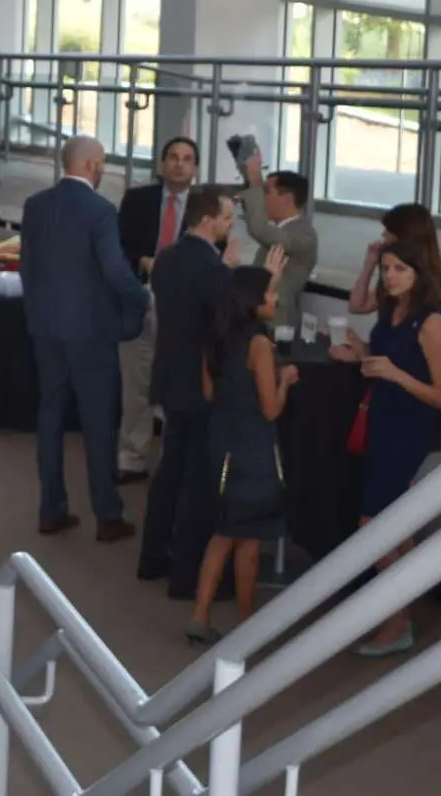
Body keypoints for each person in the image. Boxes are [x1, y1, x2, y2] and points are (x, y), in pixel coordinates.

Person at [142, 188, 283, 599]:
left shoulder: (166, 258)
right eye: (225, 218)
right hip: (200, 385)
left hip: (168, 377)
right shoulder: (216, 273)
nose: (229, 224)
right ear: (207, 221)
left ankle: (152, 556)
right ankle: (186, 576)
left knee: (169, 469)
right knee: (199, 481)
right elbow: (228, 324)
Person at [20, 136, 151, 541]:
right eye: (103, 162)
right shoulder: (100, 211)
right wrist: (141, 297)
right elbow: (114, 270)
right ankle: (107, 515)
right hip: (90, 331)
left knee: (51, 415)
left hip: (45, 326)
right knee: (98, 423)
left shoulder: (35, 205)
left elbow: (28, 266)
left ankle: (51, 509)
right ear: (93, 164)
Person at [332, 236, 441, 657]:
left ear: (419, 272)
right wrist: (360, 354)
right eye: (387, 269)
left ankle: (395, 616)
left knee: (373, 526)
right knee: (396, 524)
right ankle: (401, 604)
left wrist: (394, 373)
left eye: (399, 269)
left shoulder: (430, 321)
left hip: (407, 430)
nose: (391, 277)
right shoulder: (391, 311)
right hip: (382, 420)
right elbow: (381, 360)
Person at [188, 266, 299, 645]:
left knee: (222, 534)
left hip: (222, 446)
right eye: (271, 293)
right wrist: (284, 382)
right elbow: (270, 410)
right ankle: (246, 627)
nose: (276, 299)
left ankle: (199, 615)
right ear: (253, 299)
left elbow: (208, 394)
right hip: (253, 451)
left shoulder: (215, 337)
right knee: (249, 543)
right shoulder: (260, 345)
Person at [114, 136, 199, 485]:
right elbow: (118, 246)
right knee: (135, 382)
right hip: (139, 296)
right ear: (163, 164)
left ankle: (172, 465)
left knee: (175, 385)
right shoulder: (137, 200)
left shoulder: (205, 208)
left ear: (195, 168)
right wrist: (142, 260)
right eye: (173, 157)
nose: (179, 164)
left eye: (187, 159)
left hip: (181, 307)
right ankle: (130, 458)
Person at [239, 155, 317, 334]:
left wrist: (255, 182)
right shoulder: (282, 231)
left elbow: (258, 227)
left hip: (277, 326)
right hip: (257, 319)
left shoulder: (303, 234)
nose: (261, 197)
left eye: (266, 191)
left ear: (288, 199)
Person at [349, 203, 441, 315]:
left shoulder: (420, 289)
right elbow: (356, 306)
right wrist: (369, 264)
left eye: (388, 230)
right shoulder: (393, 279)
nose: (383, 235)